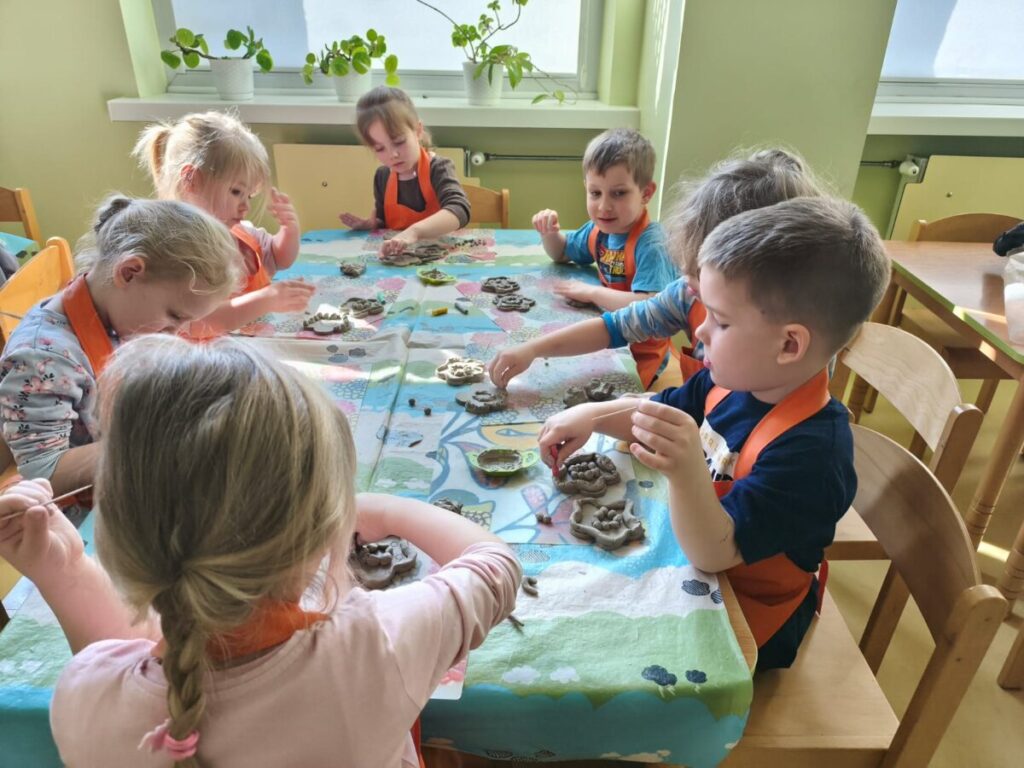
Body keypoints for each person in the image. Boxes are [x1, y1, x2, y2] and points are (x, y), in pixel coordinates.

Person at [0, 335, 521, 766]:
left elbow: (122, 661)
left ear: (116, 531)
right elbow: (496, 566)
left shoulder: (84, 700)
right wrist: (384, 509)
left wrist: (62, 569)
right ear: (326, 530)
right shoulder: (375, 645)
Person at [539, 196, 890, 669]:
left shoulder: (814, 457)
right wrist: (594, 415)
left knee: (601, 651)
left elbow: (714, 552)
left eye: (721, 321)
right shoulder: (734, 380)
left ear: (789, 344)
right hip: (698, 560)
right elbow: (658, 412)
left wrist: (686, 471)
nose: (699, 332)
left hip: (748, 613)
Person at [489, 148, 822, 390]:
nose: (701, 331)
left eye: (721, 320)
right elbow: (615, 325)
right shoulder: (687, 293)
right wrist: (534, 348)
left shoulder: (788, 385)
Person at [0, 197, 240, 497]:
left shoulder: (108, 306)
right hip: (71, 507)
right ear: (128, 272)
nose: (175, 333)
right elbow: (42, 470)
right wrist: (149, 441)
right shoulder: (43, 358)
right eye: (174, 316)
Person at [133, 111, 315, 334]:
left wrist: (289, 229)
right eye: (236, 192)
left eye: (249, 196)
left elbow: (279, 258)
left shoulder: (238, 234)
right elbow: (198, 324)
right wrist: (266, 300)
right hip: (200, 355)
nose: (245, 206)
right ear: (192, 180)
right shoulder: (174, 254)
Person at [340, 86, 471, 258]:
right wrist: (372, 224)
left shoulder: (439, 168)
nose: (392, 155)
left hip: (440, 258)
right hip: (401, 260)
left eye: (399, 142)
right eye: (380, 149)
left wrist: (414, 232)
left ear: (418, 131)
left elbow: (460, 210)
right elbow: (385, 221)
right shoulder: (383, 176)